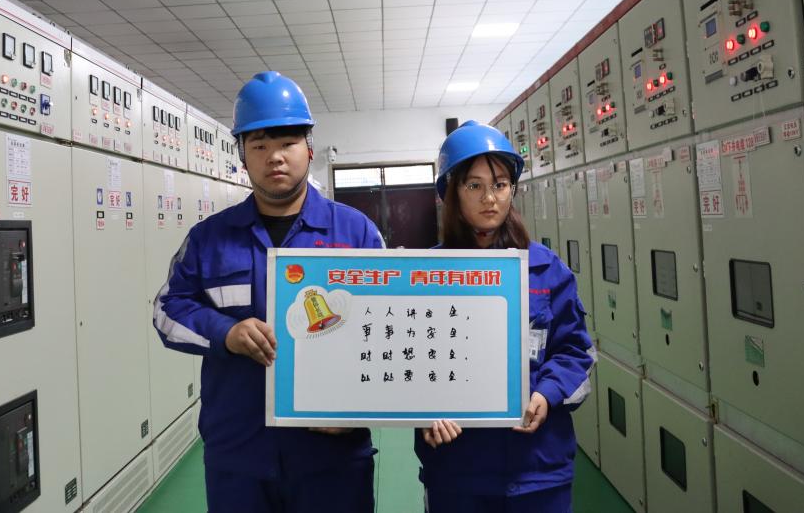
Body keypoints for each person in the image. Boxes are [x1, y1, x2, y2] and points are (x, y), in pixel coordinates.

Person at [153, 71, 384, 513]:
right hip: (239, 456)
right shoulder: (209, 239)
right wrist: (225, 333)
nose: (274, 157)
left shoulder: (355, 233)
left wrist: (356, 412)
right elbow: (167, 311)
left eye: (287, 143)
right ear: (242, 155)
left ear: (309, 148)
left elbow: (385, 328)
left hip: (332, 456)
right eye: (259, 145)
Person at [416, 120, 595, 513]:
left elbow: (575, 351)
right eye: (474, 185)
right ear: (452, 192)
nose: (490, 198)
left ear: (512, 190)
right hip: (458, 471)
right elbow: (405, 358)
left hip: (538, 470)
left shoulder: (546, 269)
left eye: (499, 184)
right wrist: (424, 412)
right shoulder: (425, 274)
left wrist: (546, 393)